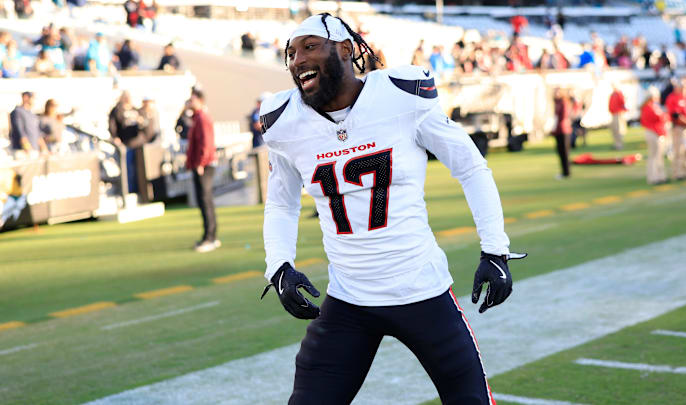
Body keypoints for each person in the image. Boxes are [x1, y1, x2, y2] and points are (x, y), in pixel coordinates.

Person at [259, 14, 525, 404]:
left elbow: (470, 166)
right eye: (291, 53)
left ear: (346, 49)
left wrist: (495, 249)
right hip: (349, 300)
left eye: (310, 47)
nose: (297, 60)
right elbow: (281, 202)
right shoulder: (286, 122)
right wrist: (279, 266)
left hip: (422, 291)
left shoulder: (402, 97)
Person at [186, 88, 219, 253]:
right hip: (202, 164)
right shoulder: (197, 117)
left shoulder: (202, 118)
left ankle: (210, 238)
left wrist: (200, 162)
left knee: (205, 201)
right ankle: (210, 236)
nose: (189, 103)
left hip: (204, 165)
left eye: (192, 100)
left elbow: (206, 143)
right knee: (204, 201)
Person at [109, 91, 142, 193]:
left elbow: (143, 123)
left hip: (136, 143)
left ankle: (139, 189)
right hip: (125, 143)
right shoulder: (117, 110)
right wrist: (115, 137)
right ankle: (129, 190)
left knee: (138, 168)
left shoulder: (134, 109)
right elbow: (112, 124)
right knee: (127, 168)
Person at [665, 79, 686, 180]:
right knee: (679, 150)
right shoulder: (672, 98)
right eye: (683, 87)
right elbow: (676, 115)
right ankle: (678, 173)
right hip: (679, 128)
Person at [640, 87, 669, 185]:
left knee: (659, 156)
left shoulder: (653, 106)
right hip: (653, 132)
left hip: (657, 132)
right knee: (654, 156)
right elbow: (661, 117)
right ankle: (653, 177)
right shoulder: (648, 107)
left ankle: (660, 176)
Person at [553, 88, 572, 179]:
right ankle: (564, 171)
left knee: (565, 152)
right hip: (558, 130)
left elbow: (563, 116)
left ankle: (567, 172)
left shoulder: (564, 102)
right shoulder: (556, 102)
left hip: (564, 130)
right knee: (560, 151)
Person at [608, 84, 627, 150]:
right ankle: (616, 144)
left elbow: (623, 103)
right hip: (613, 114)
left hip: (618, 113)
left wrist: (622, 112)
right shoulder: (613, 94)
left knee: (619, 130)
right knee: (614, 130)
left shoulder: (619, 93)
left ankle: (619, 145)